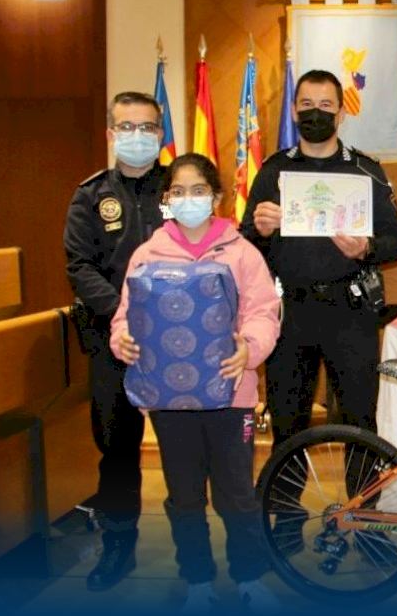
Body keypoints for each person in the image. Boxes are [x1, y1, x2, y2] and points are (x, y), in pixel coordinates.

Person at [110, 154, 281, 613]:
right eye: (179, 192)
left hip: (232, 395)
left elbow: (263, 311)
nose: (189, 200)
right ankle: (197, 580)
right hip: (171, 401)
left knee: (237, 495)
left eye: (199, 191)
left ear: (217, 197)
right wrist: (121, 340)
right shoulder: (147, 254)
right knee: (184, 496)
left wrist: (250, 348)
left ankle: (249, 576)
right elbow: (125, 316)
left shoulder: (242, 252)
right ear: (167, 199)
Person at [240, 69, 397, 446]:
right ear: (294, 112)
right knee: (287, 421)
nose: (316, 113)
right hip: (290, 311)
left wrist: (367, 249)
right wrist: (260, 230)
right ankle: (286, 489)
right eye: (307, 105)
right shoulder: (272, 171)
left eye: (326, 105)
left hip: (351, 309)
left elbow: (395, 242)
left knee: (360, 420)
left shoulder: (365, 170)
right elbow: (245, 244)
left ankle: (363, 488)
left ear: (341, 114)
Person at [63, 91, 168, 591]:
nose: (137, 136)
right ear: (110, 134)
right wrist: (121, 316)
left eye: (147, 127)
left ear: (161, 134)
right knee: (117, 448)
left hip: (177, 337)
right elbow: (79, 266)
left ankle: (195, 552)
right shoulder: (90, 195)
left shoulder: (181, 186)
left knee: (187, 448)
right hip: (115, 339)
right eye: (126, 127)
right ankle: (118, 547)